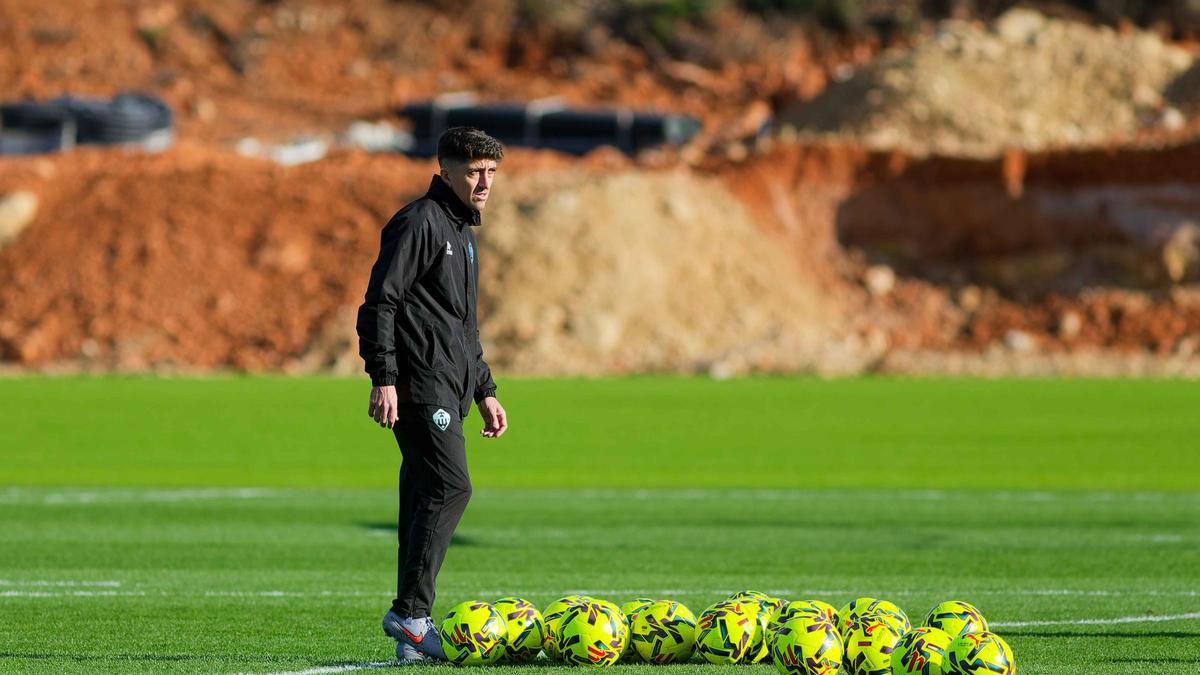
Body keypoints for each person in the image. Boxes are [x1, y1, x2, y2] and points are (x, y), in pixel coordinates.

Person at [356, 127, 509, 664]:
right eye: (474, 171)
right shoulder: (420, 222)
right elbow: (381, 302)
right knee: (451, 487)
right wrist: (384, 377)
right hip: (419, 386)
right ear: (445, 170)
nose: (485, 181)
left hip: (452, 386)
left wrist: (486, 389)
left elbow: (461, 326)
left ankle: (411, 640)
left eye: (491, 171)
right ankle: (412, 615)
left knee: (423, 497)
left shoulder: (462, 231)